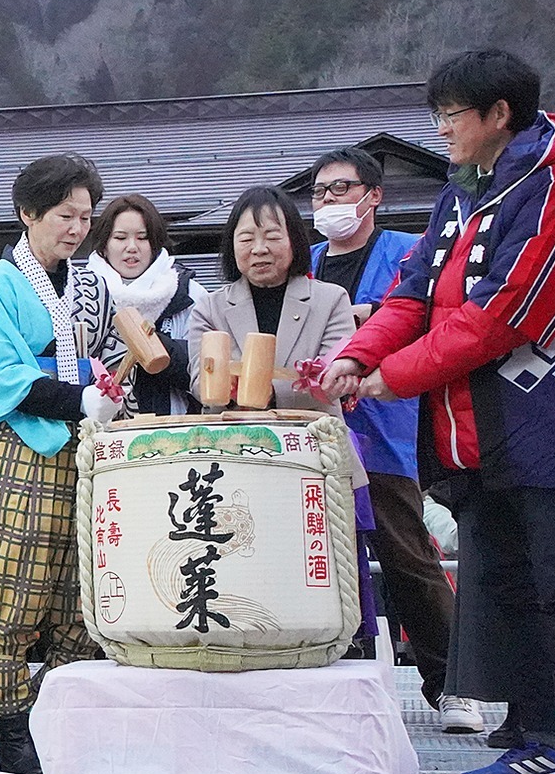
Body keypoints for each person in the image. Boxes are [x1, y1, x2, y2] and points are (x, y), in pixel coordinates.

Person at [321, 49, 555, 774]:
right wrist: (357, 355)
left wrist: (391, 376)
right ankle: (538, 735)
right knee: (508, 583)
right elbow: (413, 296)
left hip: (554, 418)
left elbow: (506, 315)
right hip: (478, 428)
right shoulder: (463, 195)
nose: (439, 130)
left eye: (449, 115)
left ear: (498, 115)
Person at [0, 154, 119, 774]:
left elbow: (94, 356)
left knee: (81, 593)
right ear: (27, 214)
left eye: (85, 216)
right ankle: (13, 726)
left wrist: (102, 388)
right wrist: (80, 395)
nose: (77, 228)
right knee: (13, 592)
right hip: (19, 452)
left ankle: (60, 716)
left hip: (83, 452)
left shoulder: (88, 282)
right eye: (63, 215)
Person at [308, 147, 469, 730]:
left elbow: (431, 319)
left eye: (341, 189)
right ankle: (333, 680)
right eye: (320, 192)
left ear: (374, 195)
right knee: (321, 561)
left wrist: (365, 315)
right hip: (317, 433)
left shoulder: (408, 253)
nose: (328, 201)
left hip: (385, 427)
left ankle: (453, 684)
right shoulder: (307, 261)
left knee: (407, 557)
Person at [187, 186, 356, 414]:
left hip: (311, 440)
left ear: (293, 241)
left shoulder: (332, 300)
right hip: (232, 441)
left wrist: (271, 392)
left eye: (273, 237)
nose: (259, 249)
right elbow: (200, 381)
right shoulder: (209, 308)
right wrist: (224, 388)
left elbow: (333, 379)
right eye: (246, 239)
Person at [88, 193, 205, 416]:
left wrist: (157, 348)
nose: (132, 247)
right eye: (120, 238)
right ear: (104, 245)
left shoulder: (190, 294)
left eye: (142, 238)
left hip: (175, 433)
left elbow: (210, 366)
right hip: (104, 435)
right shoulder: (83, 295)